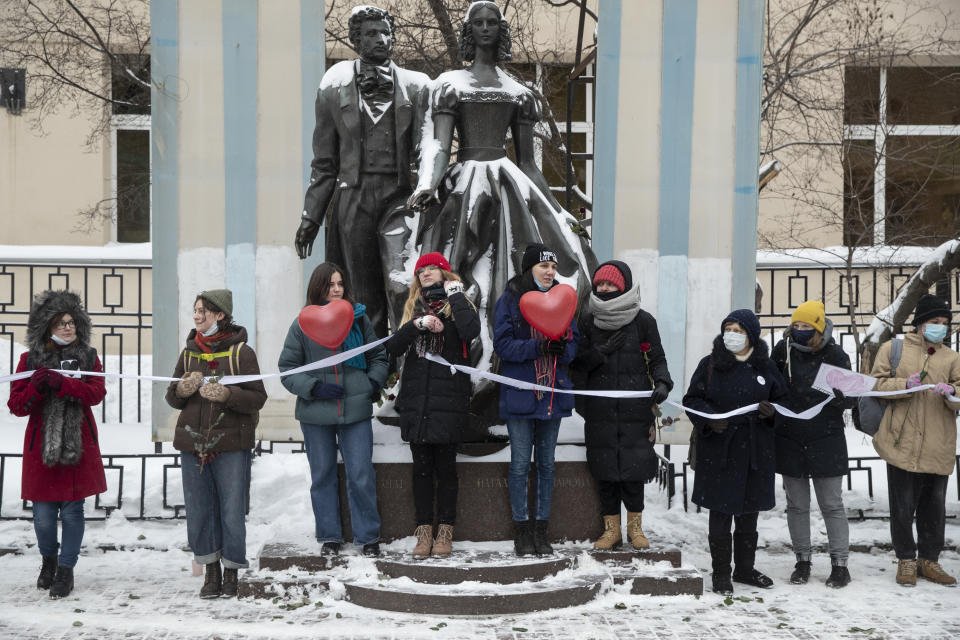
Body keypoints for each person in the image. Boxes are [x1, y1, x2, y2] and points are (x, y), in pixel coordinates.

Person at [408, 1, 595, 420]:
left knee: (511, 270)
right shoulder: (449, 85)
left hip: (509, 183)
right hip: (465, 186)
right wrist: (428, 184)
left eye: (494, 22)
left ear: (501, 30)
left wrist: (557, 212)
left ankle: (499, 369)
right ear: (469, 31)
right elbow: (439, 146)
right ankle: (459, 363)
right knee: (455, 269)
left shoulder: (518, 92)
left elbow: (528, 164)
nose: (487, 28)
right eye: (479, 22)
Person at [295, 5, 431, 336]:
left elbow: (429, 148)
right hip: (353, 199)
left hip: (401, 199)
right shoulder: (333, 86)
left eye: (386, 32)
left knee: (403, 284)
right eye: (371, 33)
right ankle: (372, 374)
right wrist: (311, 217)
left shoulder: (417, 86)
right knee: (362, 293)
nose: (381, 39)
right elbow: (324, 162)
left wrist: (427, 188)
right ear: (356, 40)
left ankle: (406, 364)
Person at [278, 263, 389, 559]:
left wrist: (372, 382)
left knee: (361, 474)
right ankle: (330, 536)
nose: (337, 289)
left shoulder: (358, 319)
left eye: (340, 283)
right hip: (316, 415)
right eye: (330, 284)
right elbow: (287, 370)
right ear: (318, 287)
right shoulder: (301, 324)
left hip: (355, 412)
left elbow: (378, 355)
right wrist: (314, 387)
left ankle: (368, 537)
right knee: (323, 475)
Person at [165, 289, 267, 599]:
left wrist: (228, 395)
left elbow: (258, 398)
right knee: (199, 509)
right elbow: (171, 397)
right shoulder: (188, 353)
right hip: (192, 444)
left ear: (220, 315)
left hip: (231, 445)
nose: (196, 316)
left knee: (231, 509)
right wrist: (182, 389)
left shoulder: (242, 353)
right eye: (195, 311)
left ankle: (232, 571)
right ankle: (210, 570)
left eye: (203, 311)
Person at [8, 290, 107, 598]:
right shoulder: (30, 359)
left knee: (74, 512)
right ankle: (48, 560)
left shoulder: (88, 357)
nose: (68, 327)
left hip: (77, 445)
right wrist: (37, 386)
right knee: (44, 516)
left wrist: (63, 383)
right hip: (42, 450)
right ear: (46, 326)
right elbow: (17, 405)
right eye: (61, 322)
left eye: (72, 321)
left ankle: (66, 569)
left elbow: (95, 393)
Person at [683, 309, 787, 595]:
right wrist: (710, 419)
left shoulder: (766, 368)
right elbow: (692, 399)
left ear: (751, 335)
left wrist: (771, 414)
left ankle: (744, 568)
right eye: (728, 328)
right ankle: (720, 573)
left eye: (739, 330)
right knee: (720, 515)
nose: (732, 334)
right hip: (720, 451)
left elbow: (783, 403)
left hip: (755, 451)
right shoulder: (711, 364)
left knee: (748, 515)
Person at [572, 261, 672, 551]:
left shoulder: (643, 322)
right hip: (599, 411)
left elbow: (658, 360)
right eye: (600, 284)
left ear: (623, 286)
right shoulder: (588, 321)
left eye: (610, 284)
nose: (604, 289)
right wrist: (599, 353)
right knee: (604, 472)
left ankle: (635, 529)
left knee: (633, 471)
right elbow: (576, 365)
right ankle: (611, 530)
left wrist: (663, 383)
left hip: (635, 411)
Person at [387, 252, 480, 558]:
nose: (425, 273)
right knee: (421, 472)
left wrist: (455, 293)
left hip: (449, 401)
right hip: (418, 401)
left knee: (447, 470)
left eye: (432, 269)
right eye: (421, 270)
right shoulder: (414, 308)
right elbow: (394, 346)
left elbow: (471, 331)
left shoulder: (458, 304)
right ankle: (423, 533)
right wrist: (418, 325)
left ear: (445, 273)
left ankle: (445, 534)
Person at [494, 244, 578, 556]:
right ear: (530, 268)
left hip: (552, 395)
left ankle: (541, 529)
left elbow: (573, 344)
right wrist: (537, 348)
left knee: (546, 464)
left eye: (554, 268)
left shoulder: (564, 300)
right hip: (520, 394)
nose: (550, 272)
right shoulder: (510, 299)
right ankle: (522, 529)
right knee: (519, 465)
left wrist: (562, 349)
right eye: (544, 267)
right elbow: (503, 346)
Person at [870, 294, 959, 587]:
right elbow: (876, 385)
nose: (940, 328)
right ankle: (906, 560)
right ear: (920, 323)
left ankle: (929, 561)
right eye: (935, 322)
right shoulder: (893, 349)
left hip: (938, 442)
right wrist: (903, 385)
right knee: (903, 506)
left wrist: (952, 395)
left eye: (945, 324)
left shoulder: (951, 357)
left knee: (934, 507)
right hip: (900, 441)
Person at [771, 300, 854, 588]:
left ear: (819, 327)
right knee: (796, 505)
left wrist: (840, 394)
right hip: (790, 437)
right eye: (796, 325)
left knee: (831, 504)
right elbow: (772, 384)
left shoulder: (836, 354)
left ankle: (840, 564)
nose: (800, 330)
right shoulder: (783, 350)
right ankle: (802, 561)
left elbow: (853, 398)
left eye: (807, 326)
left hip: (826, 437)